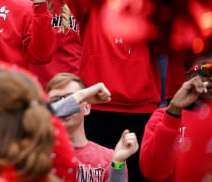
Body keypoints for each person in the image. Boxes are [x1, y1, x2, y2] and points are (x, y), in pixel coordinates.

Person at [46, 73, 140, 181]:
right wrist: (80, 97)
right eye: (56, 101)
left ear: (87, 107)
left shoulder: (107, 157)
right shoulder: (35, 150)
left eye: (70, 98)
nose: (65, 105)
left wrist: (118, 164)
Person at [140, 53, 212, 181]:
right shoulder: (162, 117)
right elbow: (154, 172)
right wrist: (173, 112)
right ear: (190, 76)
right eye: (206, 69)